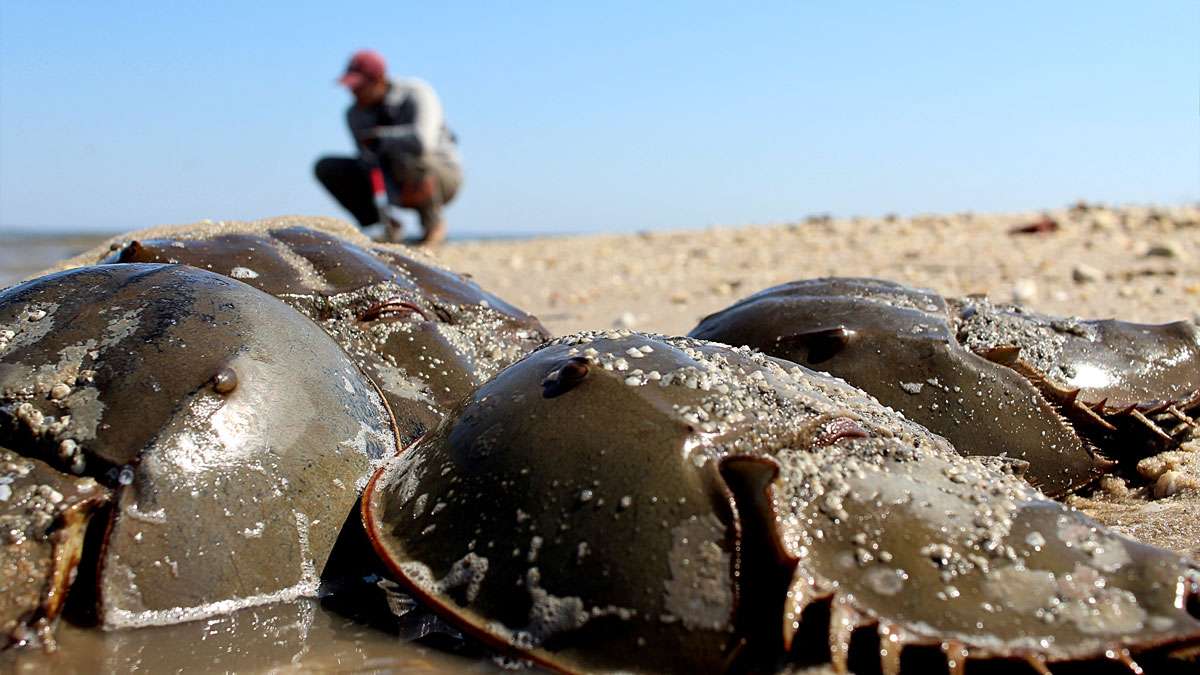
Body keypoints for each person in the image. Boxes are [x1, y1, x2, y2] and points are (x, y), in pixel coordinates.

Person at [314, 50, 462, 245]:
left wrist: (380, 138)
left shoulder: (416, 93)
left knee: (408, 155)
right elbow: (369, 162)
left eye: (359, 87)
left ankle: (433, 226)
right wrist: (391, 197)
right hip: (392, 180)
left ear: (379, 79)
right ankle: (386, 225)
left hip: (439, 173)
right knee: (328, 167)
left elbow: (422, 142)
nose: (353, 92)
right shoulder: (354, 114)